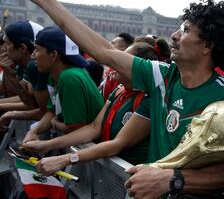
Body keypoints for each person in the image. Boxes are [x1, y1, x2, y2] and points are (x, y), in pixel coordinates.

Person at [2, 0, 224, 199]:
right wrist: (48, 3)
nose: (175, 35)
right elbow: (103, 51)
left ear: (208, 46)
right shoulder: (163, 77)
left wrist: (173, 179)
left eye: (186, 30)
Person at [22, 40, 169, 174]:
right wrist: (47, 145)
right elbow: (94, 128)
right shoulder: (119, 90)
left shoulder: (149, 100)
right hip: (111, 175)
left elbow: (117, 144)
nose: (113, 64)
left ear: (138, 69)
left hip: (131, 180)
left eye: (121, 61)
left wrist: (66, 159)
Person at [23, 27, 104, 142]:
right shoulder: (54, 76)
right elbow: (51, 113)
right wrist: (33, 132)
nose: (32, 55)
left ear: (53, 55)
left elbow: (74, 129)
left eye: (37, 50)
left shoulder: (69, 78)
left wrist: (54, 124)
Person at [0, 20, 49, 129]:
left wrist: (9, 113)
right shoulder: (24, 66)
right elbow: (28, 101)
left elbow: (44, 112)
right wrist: (11, 75)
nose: (3, 49)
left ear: (22, 48)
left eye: (7, 43)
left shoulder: (35, 67)